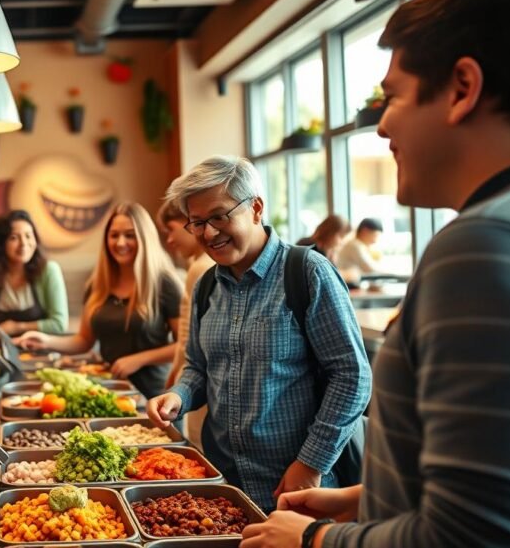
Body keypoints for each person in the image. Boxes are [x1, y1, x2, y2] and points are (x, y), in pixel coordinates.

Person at [241, 0, 510, 546]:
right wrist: (365, 498)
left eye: (392, 97)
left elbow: (469, 534)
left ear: (463, 89)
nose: (383, 124)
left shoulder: (478, 248)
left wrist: (313, 539)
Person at [145, 156, 371, 514]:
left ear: (255, 208)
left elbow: (353, 377)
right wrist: (178, 395)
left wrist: (311, 463)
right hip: (224, 485)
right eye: (198, 222)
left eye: (219, 217)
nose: (208, 233)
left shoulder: (308, 273)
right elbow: (198, 368)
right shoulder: (207, 286)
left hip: (297, 486)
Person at [15, 202, 183, 399]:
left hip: (155, 395)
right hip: (110, 390)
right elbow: (84, 341)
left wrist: (139, 359)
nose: (120, 243)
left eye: (129, 235)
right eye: (114, 235)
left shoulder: (165, 283)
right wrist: (46, 341)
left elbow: (185, 345)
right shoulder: (97, 284)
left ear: (145, 238)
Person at [156, 197, 215, 447]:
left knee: (199, 442)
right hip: (200, 380)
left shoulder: (200, 268)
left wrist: (175, 379)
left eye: (171, 230)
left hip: (196, 383)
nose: (169, 240)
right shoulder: (201, 265)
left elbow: (188, 339)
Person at [0, 210, 68, 337]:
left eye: (28, 236)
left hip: (44, 352)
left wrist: (16, 327)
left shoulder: (49, 271)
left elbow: (59, 325)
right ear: (0, 244)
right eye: (14, 238)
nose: (24, 244)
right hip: (0, 353)